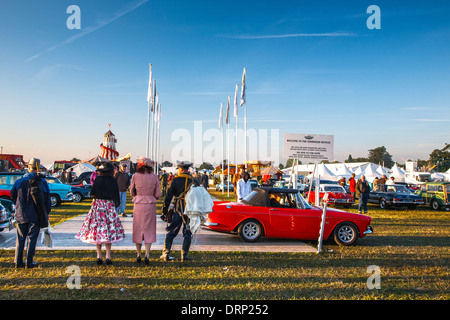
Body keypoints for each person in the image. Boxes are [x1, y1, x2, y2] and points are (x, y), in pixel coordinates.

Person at [76, 162, 125, 265]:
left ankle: (99, 256)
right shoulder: (112, 180)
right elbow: (116, 196)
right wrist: (116, 206)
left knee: (98, 231)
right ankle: (108, 256)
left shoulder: (98, 180)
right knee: (109, 231)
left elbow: (92, 194)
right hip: (109, 207)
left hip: (98, 206)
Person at [11, 158, 51, 268]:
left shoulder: (18, 182)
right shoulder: (42, 182)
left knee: (20, 238)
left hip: (21, 213)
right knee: (32, 239)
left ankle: (18, 261)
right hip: (35, 214)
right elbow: (47, 199)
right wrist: (47, 212)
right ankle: (29, 261)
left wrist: (19, 206)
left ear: (28, 167)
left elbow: (13, 196)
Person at [160, 161, 197, 262]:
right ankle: (184, 255)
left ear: (180, 170)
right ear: (187, 169)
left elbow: (168, 196)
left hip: (178, 208)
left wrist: (164, 210)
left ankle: (165, 253)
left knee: (172, 230)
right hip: (190, 209)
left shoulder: (175, 180)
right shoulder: (194, 180)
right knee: (188, 231)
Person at [130, 158, 161, 264]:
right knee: (149, 229)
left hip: (138, 204)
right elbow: (158, 194)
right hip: (150, 204)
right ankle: (147, 255)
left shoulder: (135, 176)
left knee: (138, 229)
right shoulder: (155, 176)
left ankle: (138, 254)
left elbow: (131, 192)